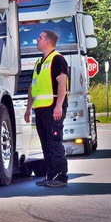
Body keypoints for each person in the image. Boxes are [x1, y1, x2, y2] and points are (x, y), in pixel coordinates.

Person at [24, 29, 69, 187]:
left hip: (53, 107)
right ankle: (50, 176)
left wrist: (59, 106)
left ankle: (60, 177)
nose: (37, 39)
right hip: (41, 109)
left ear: (48, 42)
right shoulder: (39, 63)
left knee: (54, 143)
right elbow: (32, 87)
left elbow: (62, 84)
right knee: (45, 144)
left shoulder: (57, 59)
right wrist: (28, 108)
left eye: (40, 37)